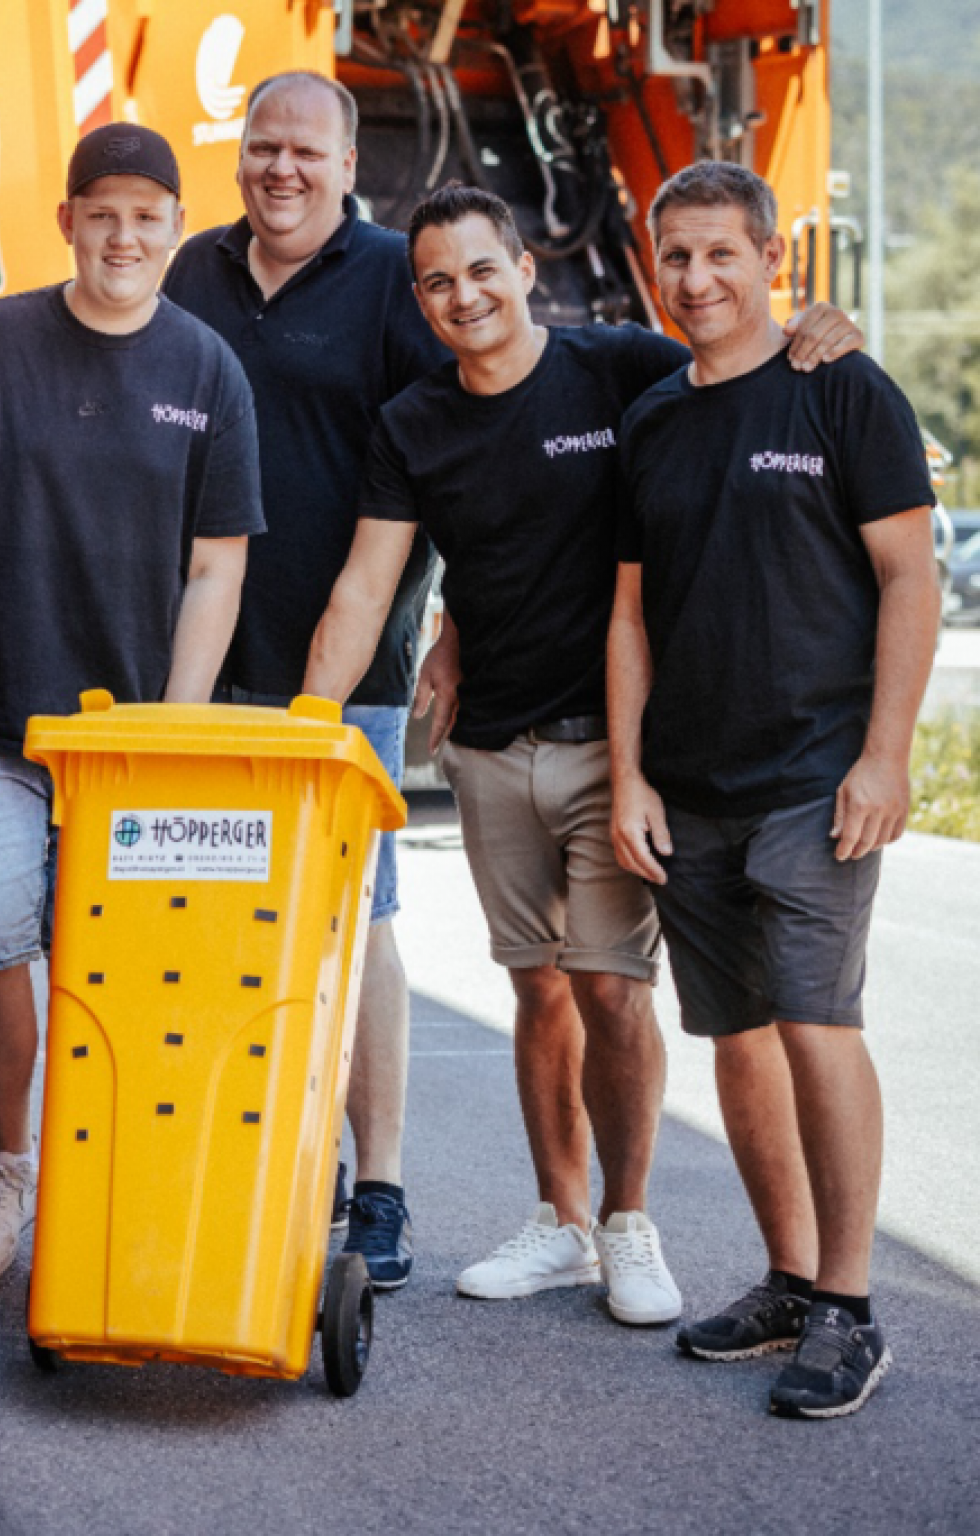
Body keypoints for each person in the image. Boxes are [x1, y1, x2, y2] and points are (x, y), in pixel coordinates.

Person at [302, 184, 863, 1328]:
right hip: (490, 747)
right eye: (437, 282)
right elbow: (367, 585)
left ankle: (626, 1219)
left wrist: (824, 330)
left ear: (523, 267)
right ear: (420, 298)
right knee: (536, 990)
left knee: (612, 990)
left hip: (618, 748)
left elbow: (735, 360)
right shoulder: (412, 423)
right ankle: (558, 1222)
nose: (463, 296)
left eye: (480, 269)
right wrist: (312, 732)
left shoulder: (616, 368)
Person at [0, 123, 263, 1284]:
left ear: (174, 228)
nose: (122, 235)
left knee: (128, 973)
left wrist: (174, 727)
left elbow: (215, 567)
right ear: (65, 220)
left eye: (146, 216)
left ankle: (112, 1180)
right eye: (100, 213)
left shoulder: (205, 367)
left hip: (132, 746)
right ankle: (10, 1163)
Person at [610, 161, 935, 1419]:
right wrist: (632, 773)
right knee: (735, 1041)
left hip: (814, 775)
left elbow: (908, 578)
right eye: (674, 257)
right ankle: (789, 1279)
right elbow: (629, 613)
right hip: (688, 787)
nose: (696, 280)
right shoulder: (649, 420)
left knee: (814, 1025)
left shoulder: (840, 389)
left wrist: (886, 752)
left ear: (767, 262)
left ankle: (848, 1309)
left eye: (718, 256)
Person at [161, 71, 453, 1289]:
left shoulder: (394, 278)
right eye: (260, 146)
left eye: (304, 152)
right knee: (208, 920)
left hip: (350, 675)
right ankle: (256, 1157)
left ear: (348, 167)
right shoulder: (189, 273)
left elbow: (458, 448)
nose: (278, 168)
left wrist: (454, 624)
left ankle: (373, 1185)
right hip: (191, 667)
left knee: (358, 922)